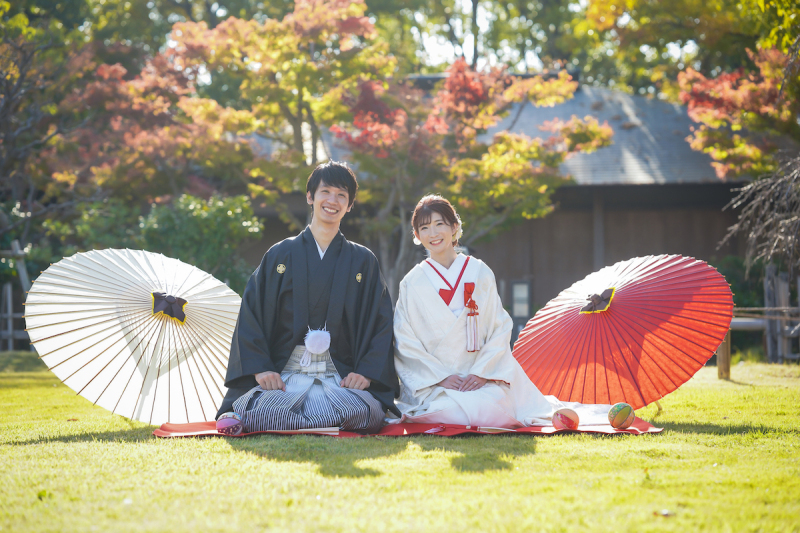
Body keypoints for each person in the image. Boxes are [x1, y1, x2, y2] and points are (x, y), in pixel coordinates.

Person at [393, 195, 610, 428]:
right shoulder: (412, 282)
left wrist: (482, 373)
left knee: (489, 407)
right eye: (424, 228)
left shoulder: (479, 271)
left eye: (439, 224)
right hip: (436, 383)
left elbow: (499, 326)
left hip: (482, 377)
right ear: (417, 235)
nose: (433, 233)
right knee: (449, 410)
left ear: (454, 227)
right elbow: (405, 340)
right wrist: (441, 378)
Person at [217, 161, 399, 433]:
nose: (332, 201)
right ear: (310, 197)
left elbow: (380, 323)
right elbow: (251, 314)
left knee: (365, 410)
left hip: (339, 379)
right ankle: (318, 422)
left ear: (349, 205)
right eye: (325, 192)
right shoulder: (280, 254)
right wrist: (261, 370)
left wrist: (366, 373)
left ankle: (271, 421)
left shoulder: (363, 261)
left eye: (342, 195)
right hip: (286, 377)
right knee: (268, 405)